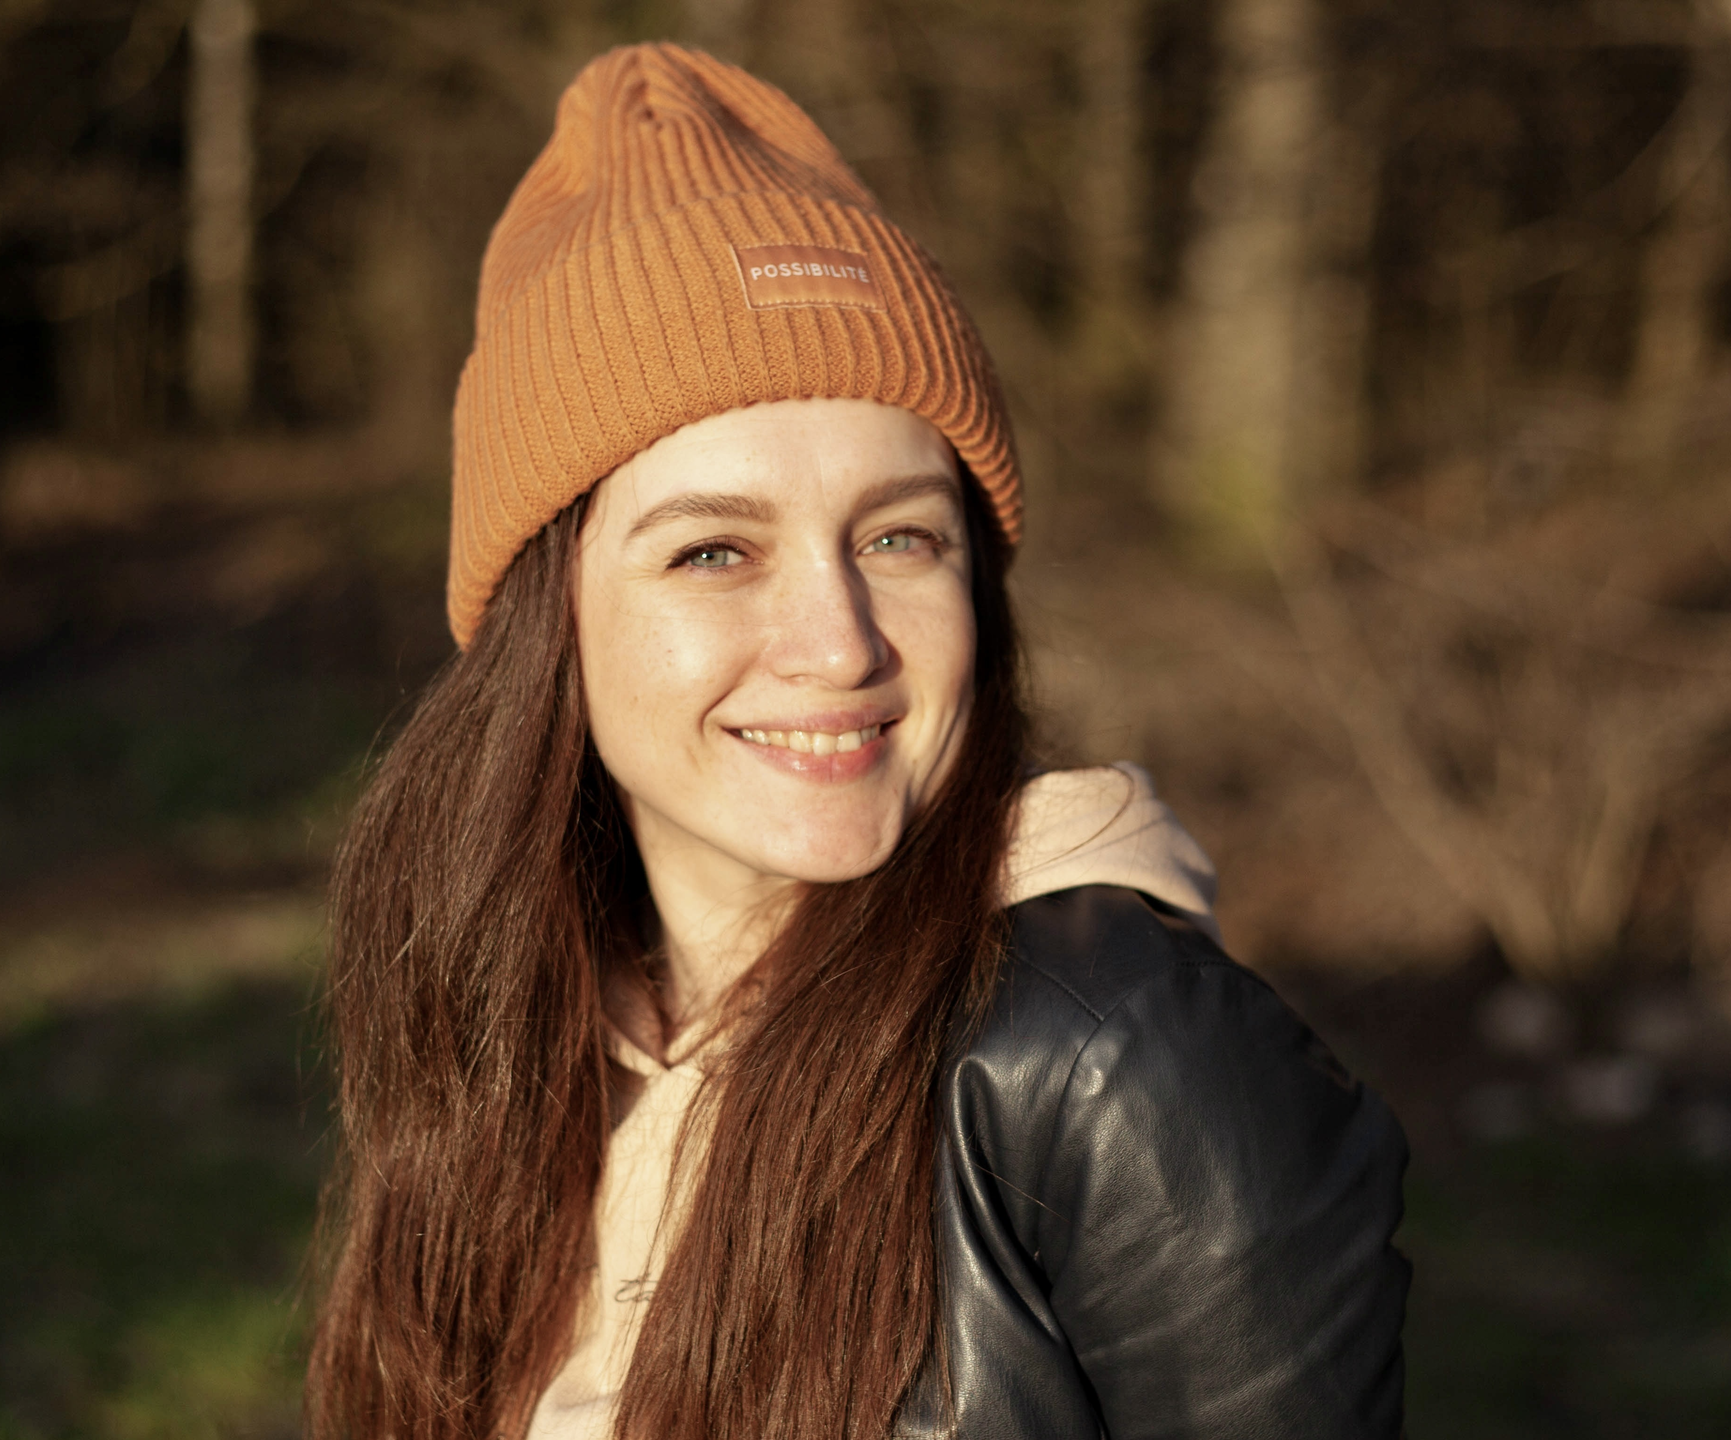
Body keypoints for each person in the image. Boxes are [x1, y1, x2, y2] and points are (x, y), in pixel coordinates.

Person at [309, 42, 1408, 1440]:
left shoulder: (1111, 1067)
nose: (841, 643)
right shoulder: (505, 1035)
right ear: (546, 628)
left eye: (899, 536)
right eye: (716, 552)